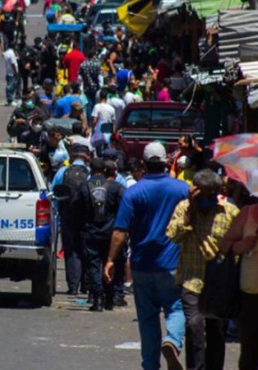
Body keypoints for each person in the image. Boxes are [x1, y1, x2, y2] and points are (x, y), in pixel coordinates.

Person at [104, 141, 188, 370]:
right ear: (165, 162)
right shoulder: (181, 189)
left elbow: (120, 231)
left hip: (142, 264)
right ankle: (172, 340)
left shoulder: (134, 192)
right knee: (175, 308)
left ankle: (151, 365)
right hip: (172, 264)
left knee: (148, 318)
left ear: (143, 163)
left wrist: (111, 259)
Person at [166, 169, 239, 370]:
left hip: (218, 283)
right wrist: (190, 212)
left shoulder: (229, 212)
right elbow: (173, 235)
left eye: (210, 194)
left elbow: (238, 247)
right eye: (202, 194)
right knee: (194, 326)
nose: (206, 199)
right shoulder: (184, 208)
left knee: (216, 331)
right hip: (191, 279)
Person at [220, 200, 258, 370]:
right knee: (251, 351)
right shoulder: (247, 213)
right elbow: (225, 245)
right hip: (250, 295)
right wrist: (241, 245)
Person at [73, 158, 124, 311]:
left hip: (90, 233)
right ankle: (109, 298)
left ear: (90, 168)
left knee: (94, 265)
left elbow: (75, 208)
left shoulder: (84, 186)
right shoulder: (115, 187)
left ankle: (98, 299)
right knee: (111, 263)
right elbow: (125, 206)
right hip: (111, 233)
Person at [51, 144, 90, 294]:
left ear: (72, 156)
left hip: (67, 215)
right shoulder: (90, 172)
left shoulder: (62, 171)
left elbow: (54, 194)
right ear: (86, 157)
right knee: (86, 249)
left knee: (70, 250)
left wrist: (57, 216)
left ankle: (73, 286)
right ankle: (86, 285)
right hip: (87, 218)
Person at [79, 52, 102, 118]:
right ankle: (95, 119)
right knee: (95, 104)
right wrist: (101, 86)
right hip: (96, 87)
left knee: (88, 104)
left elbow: (80, 78)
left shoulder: (82, 65)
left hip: (86, 87)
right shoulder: (97, 64)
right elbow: (100, 76)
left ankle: (89, 122)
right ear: (93, 55)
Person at [3, 41, 19, 106]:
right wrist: (16, 72)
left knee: (11, 86)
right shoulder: (11, 53)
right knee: (11, 87)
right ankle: (10, 100)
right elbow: (13, 63)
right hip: (12, 72)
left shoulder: (7, 52)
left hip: (8, 71)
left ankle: (10, 99)